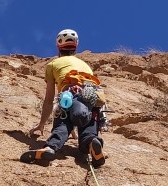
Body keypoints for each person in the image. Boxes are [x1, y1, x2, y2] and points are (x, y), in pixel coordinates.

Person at [21, 28, 107, 167]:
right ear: (76, 46)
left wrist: (41, 124)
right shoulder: (86, 65)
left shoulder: (53, 64)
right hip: (93, 97)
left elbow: (49, 100)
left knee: (62, 125)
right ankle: (92, 143)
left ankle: (50, 148)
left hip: (69, 96)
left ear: (58, 46)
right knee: (89, 130)